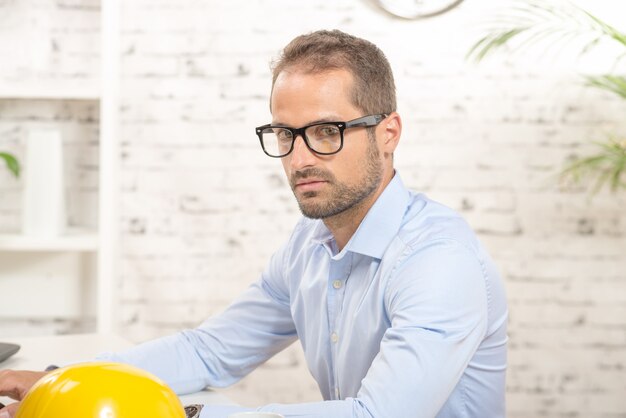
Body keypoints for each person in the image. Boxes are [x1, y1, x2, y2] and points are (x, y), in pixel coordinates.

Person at [0, 29, 507, 418]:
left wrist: (186, 413)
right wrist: (58, 381)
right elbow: (210, 351)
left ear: (388, 132)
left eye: (327, 131)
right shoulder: (310, 244)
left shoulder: (437, 260)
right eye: (285, 133)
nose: (300, 157)